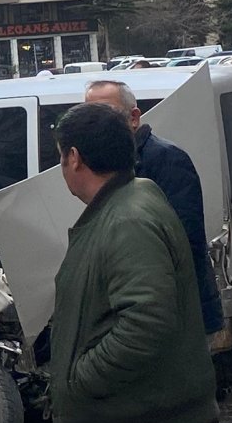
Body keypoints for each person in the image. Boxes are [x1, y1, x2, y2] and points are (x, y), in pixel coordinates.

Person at [51, 103, 218, 423]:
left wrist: (80, 381)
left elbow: (147, 321)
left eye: (60, 157)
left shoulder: (128, 220)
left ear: (75, 158)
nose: (61, 167)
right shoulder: (129, 200)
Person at [83, 80, 224, 334]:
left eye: (107, 115)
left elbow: (185, 244)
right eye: (90, 118)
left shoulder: (166, 159)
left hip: (178, 315)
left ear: (134, 117)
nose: (98, 126)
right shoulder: (103, 165)